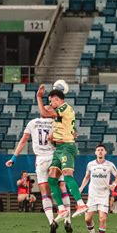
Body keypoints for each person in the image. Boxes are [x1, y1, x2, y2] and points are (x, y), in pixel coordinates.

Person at [5, 108, 73, 233]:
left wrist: (13, 158)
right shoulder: (56, 122)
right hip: (55, 157)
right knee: (62, 187)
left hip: (41, 160)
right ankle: (67, 220)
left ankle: (51, 221)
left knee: (45, 194)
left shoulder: (33, 123)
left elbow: (23, 140)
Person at [36, 84, 87, 222]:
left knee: (67, 175)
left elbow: (44, 113)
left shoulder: (64, 107)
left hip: (66, 147)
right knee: (52, 179)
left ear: (57, 100)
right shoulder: (60, 113)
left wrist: (39, 97)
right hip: (59, 149)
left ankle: (81, 204)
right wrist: (53, 137)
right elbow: (69, 127)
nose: (50, 104)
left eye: (51, 101)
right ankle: (62, 209)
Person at [78, 144, 117, 233]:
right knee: (87, 219)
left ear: (105, 152)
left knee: (102, 218)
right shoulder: (90, 164)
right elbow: (87, 177)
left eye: (102, 150)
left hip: (104, 195)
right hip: (92, 195)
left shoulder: (110, 165)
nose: (100, 152)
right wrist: (81, 187)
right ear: (95, 152)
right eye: (98, 150)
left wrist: (114, 184)